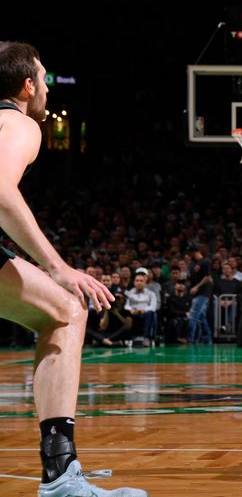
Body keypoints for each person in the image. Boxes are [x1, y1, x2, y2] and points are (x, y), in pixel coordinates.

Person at [0, 42, 147, 496]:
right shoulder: (17, 123)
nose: (46, 88)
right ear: (28, 85)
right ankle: (61, 477)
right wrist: (59, 267)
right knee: (66, 308)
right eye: (43, 78)